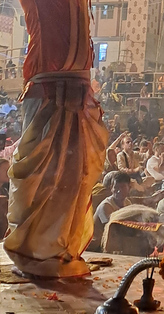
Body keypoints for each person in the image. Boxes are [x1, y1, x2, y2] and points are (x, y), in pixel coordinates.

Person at [4, 0, 109, 278]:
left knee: (74, 178)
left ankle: (60, 251)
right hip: (46, 88)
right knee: (44, 178)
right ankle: (35, 254)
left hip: (79, 89)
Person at [91, 172, 132, 252]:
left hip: (112, 242)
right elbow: (113, 230)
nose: (119, 191)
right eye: (116, 187)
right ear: (111, 188)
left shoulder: (127, 203)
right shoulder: (106, 206)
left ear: (129, 188)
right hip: (97, 246)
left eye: (123, 187)